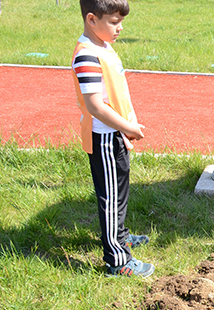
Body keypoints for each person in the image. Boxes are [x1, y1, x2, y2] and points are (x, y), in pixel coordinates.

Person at [72, 0, 154, 277]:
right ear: (92, 19)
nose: (120, 28)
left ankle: (121, 237)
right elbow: (96, 106)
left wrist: (126, 126)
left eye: (121, 21)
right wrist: (128, 127)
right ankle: (117, 260)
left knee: (119, 193)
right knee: (110, 200)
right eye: (114, 21)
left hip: (115, 135)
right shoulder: (86, 55)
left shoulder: (103, 47)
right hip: (104, 138)